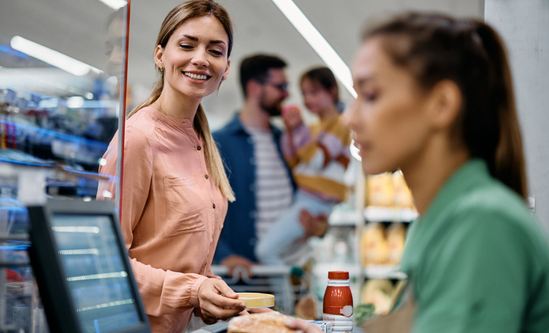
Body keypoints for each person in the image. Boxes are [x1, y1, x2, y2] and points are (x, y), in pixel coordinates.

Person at [290, 11, 549, 333]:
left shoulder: (481, 223)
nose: (349, 120)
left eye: (370, 96)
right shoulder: (444, 217)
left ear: (441, 104)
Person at [97, 1, 248, 332]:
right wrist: (193, 291)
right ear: (160, 55)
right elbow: (107, 263)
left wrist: (215, 296)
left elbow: (175, 255)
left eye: (214, 50)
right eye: (187, 45)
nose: (200, 58)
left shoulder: (201, 141)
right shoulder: (137, 139)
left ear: (225, 66)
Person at [255, 66, 351, 266]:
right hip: (305, 198)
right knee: (275, 251)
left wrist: (298, 130)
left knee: (266, 251)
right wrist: (291, 132)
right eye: (304, 93)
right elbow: (294, 161)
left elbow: (316, 160)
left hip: (314, 201)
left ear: (332, 91)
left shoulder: (341, 125)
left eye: (314, 92)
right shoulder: (313, 128)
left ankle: (284, 297)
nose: (307, 99)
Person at [212, 54, 295, 276]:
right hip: (245, 281)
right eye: (281, 86)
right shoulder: (218, 143)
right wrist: (224, 254)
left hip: (287, 276)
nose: (286, 94)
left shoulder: (286, 141)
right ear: (254, 88)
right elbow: (199, 211)